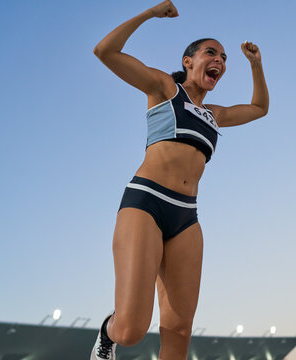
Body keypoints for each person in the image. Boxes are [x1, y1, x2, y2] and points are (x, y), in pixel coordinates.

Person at [91, 1, 268, 359]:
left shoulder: (214, 114)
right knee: (131, 330)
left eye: (223, 57)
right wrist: (149, 14)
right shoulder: (163, 88)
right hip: (146, 202)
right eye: (210, 52)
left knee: (179, 330)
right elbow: (105, 51)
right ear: (189, 61)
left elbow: (259, 108)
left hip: (186, 216)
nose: (219, 59)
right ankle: (106, 335)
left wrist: (255, 64)